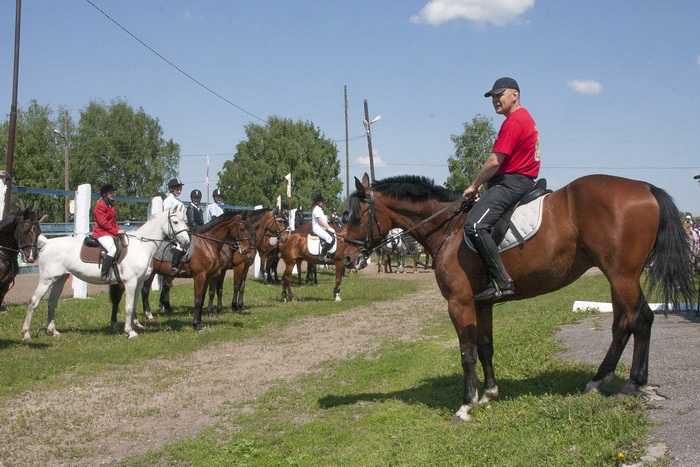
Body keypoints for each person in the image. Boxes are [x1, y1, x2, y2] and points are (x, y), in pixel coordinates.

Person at [463, 77, 540, 301]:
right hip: (519, 180)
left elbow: (494, 161)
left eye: (499, 95)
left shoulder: (514, 121)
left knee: (475, 225)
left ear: (515, 95)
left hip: (511, 182)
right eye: (493, 96)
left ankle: (501, 282)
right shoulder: (525, 118)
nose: (495, 100)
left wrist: (474, 185)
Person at [92, 183, 125, 281]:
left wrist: (119, 230)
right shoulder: (100, 205)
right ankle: (104, 274)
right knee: (112, 250)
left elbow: (113, 221)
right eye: (110, 193)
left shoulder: (110, 204)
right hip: (101, 232)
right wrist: (116, 231)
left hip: (109, 232)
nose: (113, 194)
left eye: (113, 192)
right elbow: (103, 223)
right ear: (104, 194)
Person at [163, 178, 187, 275]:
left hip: (179, 227)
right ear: (171, 189)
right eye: (177, 189)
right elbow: (168, 217)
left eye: (180, 189)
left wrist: (185, 226)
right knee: (180, 244)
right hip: (171, 228)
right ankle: (174, 267)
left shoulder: (180, 202)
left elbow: (181, 219)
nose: (179, 191)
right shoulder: (168, 201)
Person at [311, 195, 335, 260]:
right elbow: (321, 222)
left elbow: (324, 221)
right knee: (329, 238)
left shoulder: (320, 209)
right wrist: (329, 228)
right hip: (317, 229)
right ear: (317, 202)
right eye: (321, 202)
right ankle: (322, 255)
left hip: (321, 228)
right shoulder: (316, 210)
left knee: (332, 236)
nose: (323, 203)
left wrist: (330, 228)